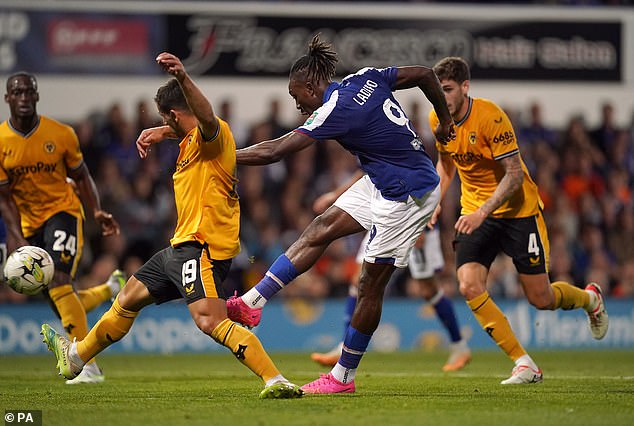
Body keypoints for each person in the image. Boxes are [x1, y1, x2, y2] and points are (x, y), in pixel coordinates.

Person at [40, 53, 303, 399]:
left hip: (203, 249)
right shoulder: (189, 144)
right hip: (179, 249)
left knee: (211, 321)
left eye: (168, 118)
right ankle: (75, 358)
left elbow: (205, 118)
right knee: (126, 300)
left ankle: (274, 379)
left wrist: (183, 77)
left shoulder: (216, 136)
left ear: (175, 114)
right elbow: (188, 124)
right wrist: (162, 130)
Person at [226, 35, 456, 394]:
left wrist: (221, 156)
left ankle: (342, 378)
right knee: (320, 227)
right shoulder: (365, 77)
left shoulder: (334, 110)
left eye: (295, 95)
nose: (296, 104)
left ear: (310, 85)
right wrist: (444, 121)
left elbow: (276, 151)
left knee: (369, 285)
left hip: (407, 194)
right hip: (382, 179)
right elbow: (426, 74)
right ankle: (252, 303)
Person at [428, 57, 609, 385]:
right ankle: (524, 363)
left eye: (448, 90)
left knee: (541, 299)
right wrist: (435, 202)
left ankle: (590, 299)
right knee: (468, 284)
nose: (442, 97)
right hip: (475, 213)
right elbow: (446, 165)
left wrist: (484, 211)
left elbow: (513, 175)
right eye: (438, 91)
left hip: (518, 212)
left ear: (465, 87)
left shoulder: (491, 117)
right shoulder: (436, 119)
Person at [0, 72, 125, 384]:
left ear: (38, 96)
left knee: (58, 280)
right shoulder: (1, 142)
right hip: (27, 224)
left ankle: (89, 367)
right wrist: (15, 235)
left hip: (63, 212)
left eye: (30, 92)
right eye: (18, 93)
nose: (25, 97)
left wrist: (95, 209)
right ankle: (110, 289)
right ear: (8, 99)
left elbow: (81, 176)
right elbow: (4, 198)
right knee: (60, 298)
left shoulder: (61, 134)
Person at [309, 171, 471, 372]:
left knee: (428, 289)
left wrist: (421, 223)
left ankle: (459, 346)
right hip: (384, 215)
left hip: (414, 219)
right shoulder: (374, 144)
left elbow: (422, 177)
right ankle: (343, 345)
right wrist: (335, 195)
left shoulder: (403, 144)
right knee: (357, 280)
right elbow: (366, 171)